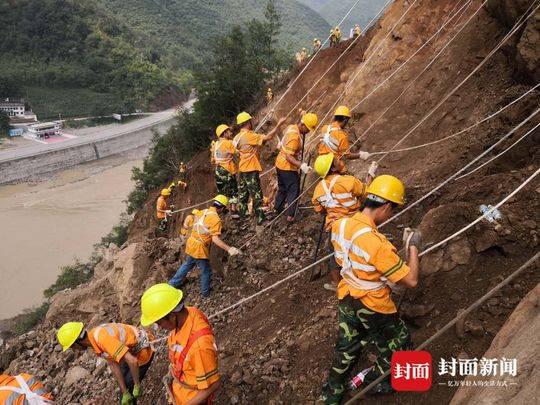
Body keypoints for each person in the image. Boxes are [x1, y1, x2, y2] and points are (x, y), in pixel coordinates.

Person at [320, 175, 422, 404]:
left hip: (347, 294)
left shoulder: (341, 224)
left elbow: (337, 261)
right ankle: (380, 382)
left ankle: (331, 394)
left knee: (347, 346)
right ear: (386, 206)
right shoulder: (376, 243)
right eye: (393, 210)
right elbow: (411, 280)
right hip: (373, 303)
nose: (391, 215)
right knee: (400, 339)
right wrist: (414, 246)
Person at [140, 284, 220, 405]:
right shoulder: (189, 313)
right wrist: (171, 372)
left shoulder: (199, 346)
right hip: (181, 388)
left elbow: (213, 385)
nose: (159, 327)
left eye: (159, 323)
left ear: (172, 316)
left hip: (193, 398)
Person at [312, 153, 376, 291]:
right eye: (336, 161)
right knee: (359, 250)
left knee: (334, 255)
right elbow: (367, 193)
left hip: (334, 226)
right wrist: (371, 176)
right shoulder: (349, 181)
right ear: (333, 168)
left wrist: (333, 208)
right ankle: (362, 279)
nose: (339, 161)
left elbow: (320, 210)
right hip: (354, 223)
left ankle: (338, 284)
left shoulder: (318, 189)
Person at [56, 322, 155, 405]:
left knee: (130, 384)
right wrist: (124, 392)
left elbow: (132, 361)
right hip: (130, 351)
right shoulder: (93, 340)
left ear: (77, 342)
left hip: (143, 350)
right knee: (124, 389)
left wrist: (137, 385)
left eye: (72, 347)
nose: (75, 350)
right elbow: (113, 364)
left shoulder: (102, 339)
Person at [169, 195, 241, 298]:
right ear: (222, 208)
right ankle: (205, 292)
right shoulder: (216, 219)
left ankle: (172, 283)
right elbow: (215, 239)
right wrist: (229, 249)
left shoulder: (203, 211)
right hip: (199, 248)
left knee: (188, 264)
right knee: (206, 270)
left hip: (191, 242)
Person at [233, 112, 285, 225]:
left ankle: (242, 215)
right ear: (247, 123)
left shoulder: (237, 137)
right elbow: (268, 137)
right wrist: (279, 125)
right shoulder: (249, 136)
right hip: (250, 168)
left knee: (243, 192)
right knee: (256, 193)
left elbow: (236, 152)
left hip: (242, 168)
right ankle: (260, 217)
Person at [274, 112, 318, 222]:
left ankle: (278, 207)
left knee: (282, 188)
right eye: (307, 129)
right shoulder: (294, 137)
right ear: (302, 125)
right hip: (287, 167)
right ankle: (290, 215)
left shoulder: (292, 127)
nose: (308, 132)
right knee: (293, 190)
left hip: (280, 163)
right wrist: (301, 165)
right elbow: (289, 157)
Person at [318, 105, 371, 172]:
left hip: (321, 164)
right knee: (344, 171)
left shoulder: (324, 128)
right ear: (345, 119)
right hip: (332, 165)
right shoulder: (342, 135)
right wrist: (361, 155)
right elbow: (347, 156)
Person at [211, 124, 238, 214]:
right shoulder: (228, 143)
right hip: (227, 169)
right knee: (233, 190)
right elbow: (238, 152)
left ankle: (216, 211)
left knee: (221, 192)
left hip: (218, 170)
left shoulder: (216, 144)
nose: (231, 132)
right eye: (228, 131)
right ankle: (233, 210)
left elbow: (212, 160)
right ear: (224, 133)